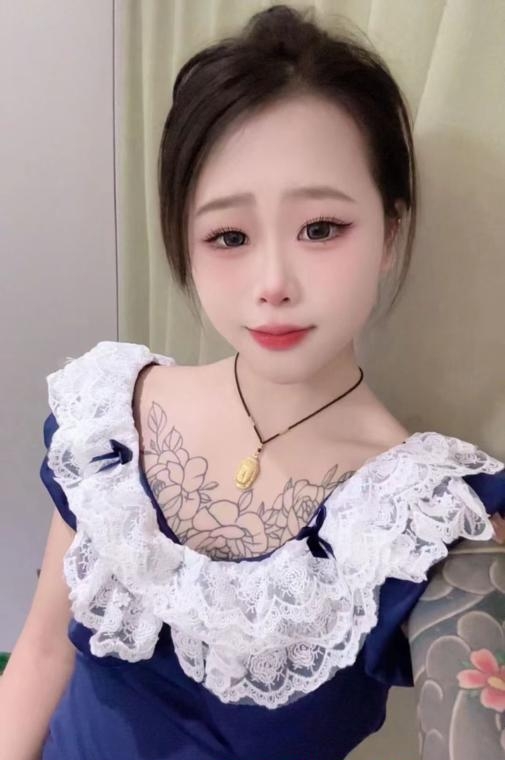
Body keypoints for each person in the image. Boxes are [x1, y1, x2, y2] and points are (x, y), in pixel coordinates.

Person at [1, 5, 504, 759]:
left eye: (321, 228)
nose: (273, 283)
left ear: (389, 233)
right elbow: (43, 653)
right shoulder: (113, 421)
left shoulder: (424, 519)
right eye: (228, 235)